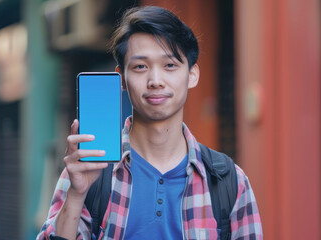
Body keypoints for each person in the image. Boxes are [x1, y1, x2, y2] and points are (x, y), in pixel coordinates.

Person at [37, 6, 263, 240]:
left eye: (170, 65)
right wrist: (76, 194)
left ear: (192, 74)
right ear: (122, 79)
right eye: (140, 67)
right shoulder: (88, 168)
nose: (155, 81)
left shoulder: (229, 181)